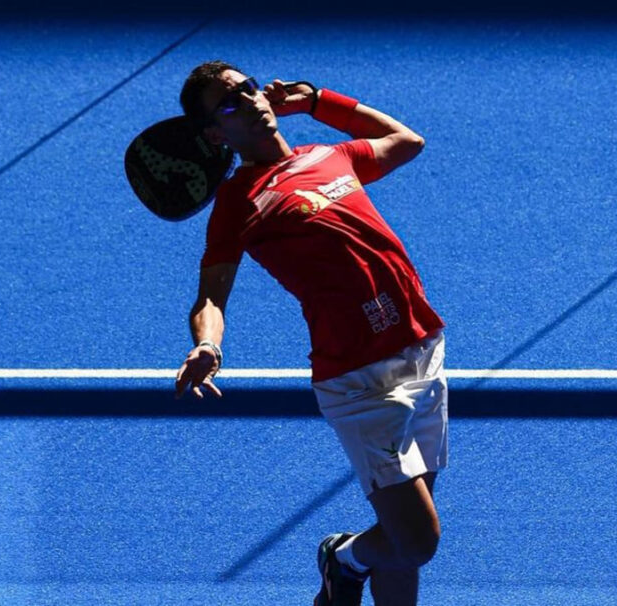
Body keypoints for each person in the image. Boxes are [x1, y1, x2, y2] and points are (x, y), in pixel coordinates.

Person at [174, 60, 448, 606]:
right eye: (229, 103)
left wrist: (319, 101)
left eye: (249, 88)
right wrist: (208, 343)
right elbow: (211, 297)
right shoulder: (238, 201)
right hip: (359, 379)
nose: (251, 101)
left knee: (401, 542)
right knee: (417, 540)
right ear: (215, 135)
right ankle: (343, 557)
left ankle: (347, 575)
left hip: (421, 345)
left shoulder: (329, 155)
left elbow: (407, 141)